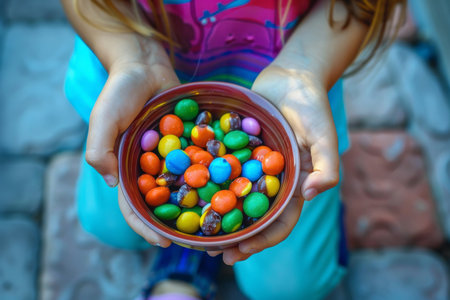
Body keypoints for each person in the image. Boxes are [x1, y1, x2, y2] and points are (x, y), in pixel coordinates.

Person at [61, 0, 405, 299]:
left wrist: (303, 68)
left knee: (291, 289)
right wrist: (132, 58)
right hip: (138, 95)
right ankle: (190, 250)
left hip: (288, 99)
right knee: (108, 225)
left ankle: (316, 228)